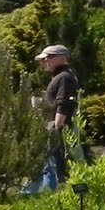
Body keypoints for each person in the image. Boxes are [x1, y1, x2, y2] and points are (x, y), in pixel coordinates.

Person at [35, 44, 80, 181]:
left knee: (54, 162)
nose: (45, 62)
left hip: (59, 126)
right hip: (56, 125)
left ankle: (50, 190)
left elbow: (63, 102)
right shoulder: (60, 76)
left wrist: (56, 126)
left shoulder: (64, 77)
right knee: (53, 161)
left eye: (48, 58)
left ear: (61, 58)